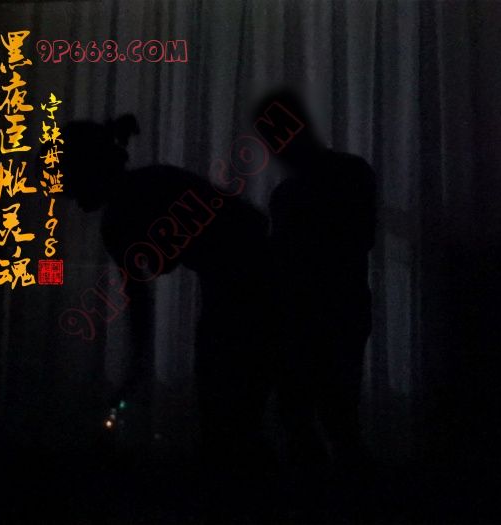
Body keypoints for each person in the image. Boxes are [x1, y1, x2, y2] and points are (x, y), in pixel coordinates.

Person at [60, 116, 275, 521]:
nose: (65, 193)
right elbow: (244, 222)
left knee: (229, 417)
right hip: (246, 289)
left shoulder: (127, 212)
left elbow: (141, 295)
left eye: (67, 180)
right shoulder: (147, 190)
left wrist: (136, 366)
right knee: (234, 418)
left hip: (248, 291)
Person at [255, 89, 376, 518]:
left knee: (311, 416)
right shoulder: (350, 172)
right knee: (333, 417)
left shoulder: (292, 192)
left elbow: (286, 260)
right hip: (336, 311)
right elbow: (360, 240)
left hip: (313, 315)